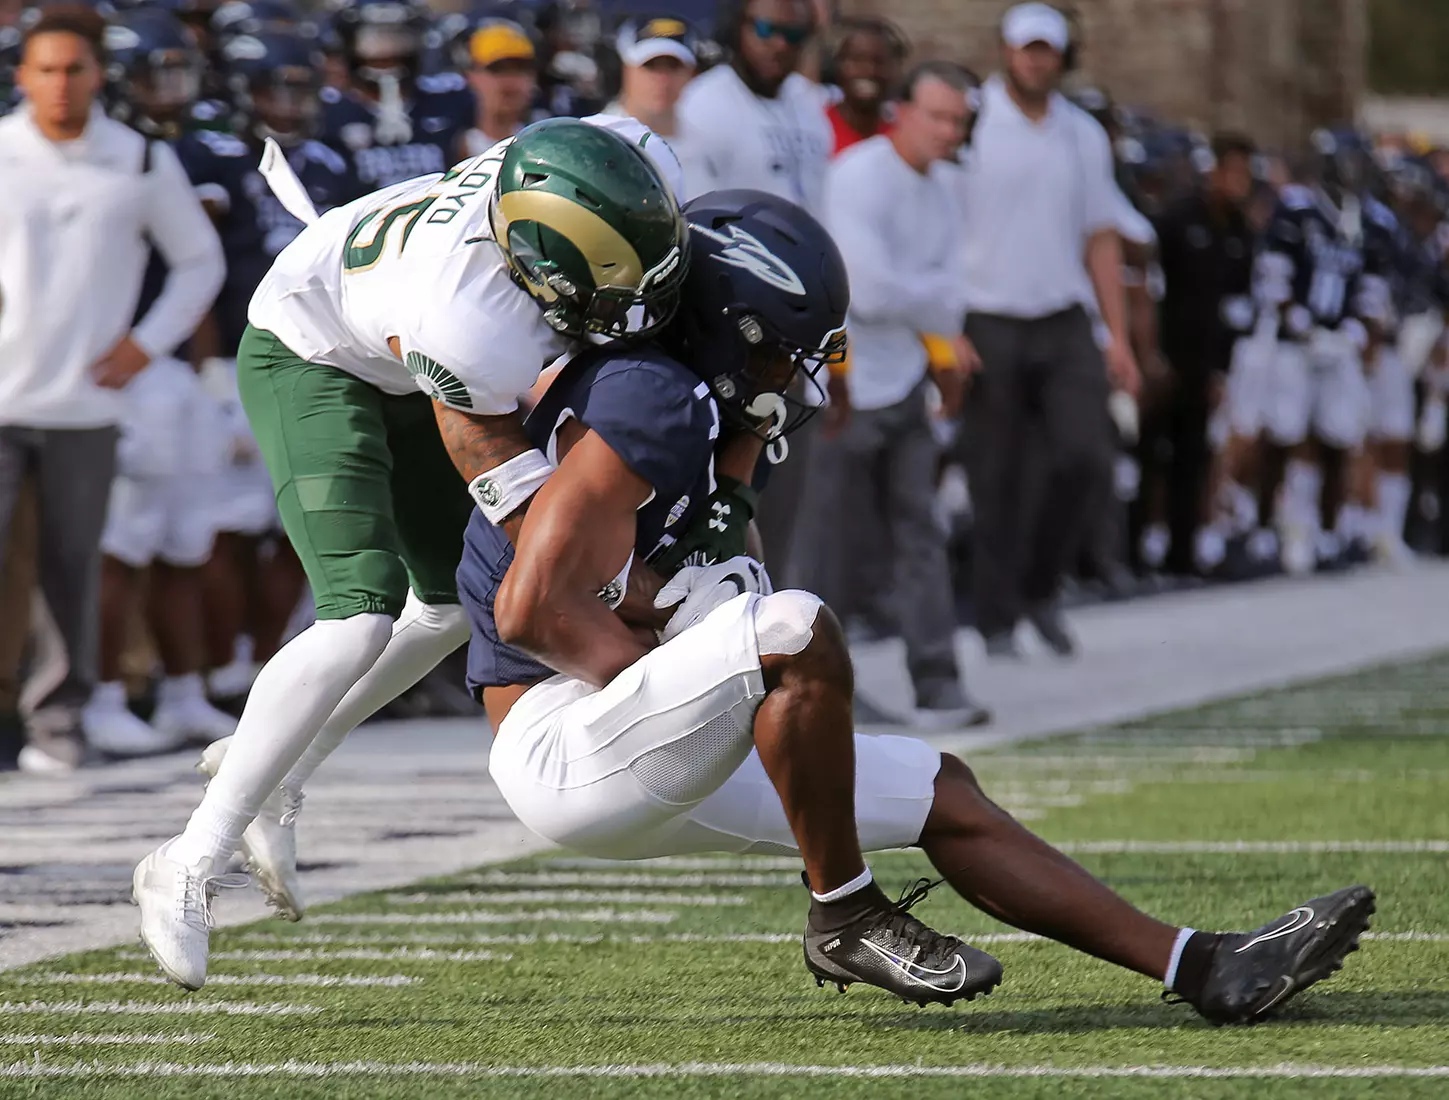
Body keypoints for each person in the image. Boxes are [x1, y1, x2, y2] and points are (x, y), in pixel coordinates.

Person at [460, 188, 1375, 1025]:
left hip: (639, 734)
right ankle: (845, 911)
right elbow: (531, 610)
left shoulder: (707, 412)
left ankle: (1205, 967)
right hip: (566, 739)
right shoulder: (651, 398)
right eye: (783, 348)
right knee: (794, 626)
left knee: (941, 787)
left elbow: (706, 552)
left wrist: (709, 594)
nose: (797, 375)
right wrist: (668, 667)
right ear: (723, 330)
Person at [133, 116, 692, 991]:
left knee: (442, 608)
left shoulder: (621, 152)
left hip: (391, 331)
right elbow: (527, 512)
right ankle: (188, 856)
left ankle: (284, 776)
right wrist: (626, 584)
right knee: (360, 615)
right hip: (310, 350)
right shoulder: (472, 324)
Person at [0, 4, 225, 773]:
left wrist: (144, 344)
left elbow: (200, 261)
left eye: (75, 69)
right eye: (47, 69)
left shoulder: (136, 160)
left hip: (88, 405)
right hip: (2, 398)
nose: (61, 84)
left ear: (99, 75)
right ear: (22, 76)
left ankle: (58, 728)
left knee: (73, 569)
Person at [954, 2, 1139, 660]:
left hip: (1062, 316)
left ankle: (1039, 589)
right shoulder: (972, 121)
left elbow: (1099, 237)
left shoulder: (1082, 134)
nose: (1035, 60)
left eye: (1047, 50)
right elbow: (944, 224)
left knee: (1084, 456)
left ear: (1062, 57)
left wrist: (1117, 337)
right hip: (986, 312)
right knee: (994, 475)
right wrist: (950, 327)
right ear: (1006, 51)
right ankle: (996, 615)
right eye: (1025, 48)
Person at [82, 5, 241, 756]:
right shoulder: (105, 156)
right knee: (124, 543)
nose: (166, 85)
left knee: (187, 539)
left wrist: (209, 368)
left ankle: (183, 690)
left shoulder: (184, 152)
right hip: (120, 364)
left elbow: (207, 266)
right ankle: (105, 693)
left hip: (181, 365)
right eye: (153, 71)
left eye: (177, 68)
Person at [813, 61, 986, 725]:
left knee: (922, 534)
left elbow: (949, 297)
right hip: (843, 381)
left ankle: (937, 681)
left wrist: (926, 308)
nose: (947, 132)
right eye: (937, 117)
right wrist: (929, 303)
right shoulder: (859, 175)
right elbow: (870, 289)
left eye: (958, 121)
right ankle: (822, 691)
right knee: (830, 546)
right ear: (901, 111)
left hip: (906, 377)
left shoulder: (946, 189)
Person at [196, 29, 352, 699]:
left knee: (301, 521)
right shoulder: (220, 158)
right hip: (234, 354)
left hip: (312, 356)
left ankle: (266, 655)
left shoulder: (330, 161)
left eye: (299, 87)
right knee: (228, 527)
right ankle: (223, 659)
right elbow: (198, 266)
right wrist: (205, 368)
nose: (288, 103)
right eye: (273, 88)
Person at [677, 0, 838, 582]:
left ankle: (786, 643)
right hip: (732, 329)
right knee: (726, 500)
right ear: (736, 29)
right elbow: (703, 228)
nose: (779, 44)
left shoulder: (809, 105)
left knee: (787, 505)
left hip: (795, 332)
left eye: (794, 33)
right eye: (766, 29)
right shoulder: (706, 103)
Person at [1251, 130, 1396, 574]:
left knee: (1338, 437)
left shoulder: (1371, 223)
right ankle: (1267, 531)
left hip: (1340, 343)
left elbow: (1373, 288)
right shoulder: (1296, 211)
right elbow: (1273, 275)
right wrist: (1299, 323)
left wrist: (1354, 331)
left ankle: (1328, 534)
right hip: (1296, 342)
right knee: (1284, 433)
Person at [1149, 133, 1259, 575]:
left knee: (1194, 458)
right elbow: (1155, 293)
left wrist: (1221, 368)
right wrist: (1152, 354)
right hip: (1166, 357)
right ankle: (1137, 549)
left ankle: (1183, 551)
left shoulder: (1240, 232)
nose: (1239, 183)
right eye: (1232, 171)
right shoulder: (1177, 221)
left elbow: (1238, 304)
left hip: (1207, 364)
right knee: (1150, 455)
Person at [319, 0, 474, 196]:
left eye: (398, 37)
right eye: (374, 41)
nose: (387, 52)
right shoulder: (329, 110)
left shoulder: (450, 97)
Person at [603, 14, 699, 183]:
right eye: (650, 66)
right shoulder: (598, 140)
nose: (662, 80)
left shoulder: (711, 145)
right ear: (626, 69)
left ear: (691, 73)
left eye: (673, 66)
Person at [460, 18, 543, 158]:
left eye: (520, 70)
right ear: (471, 76)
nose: (510, 82)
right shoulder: (447, 147)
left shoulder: (543, 147)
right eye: (497, 70)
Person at [824, 17, 905, 155]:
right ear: (838, 64)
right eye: (857, 60)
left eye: (879, 62)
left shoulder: (902, 135)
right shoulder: (818, 125)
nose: (868, 71)